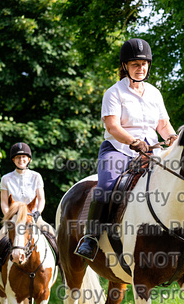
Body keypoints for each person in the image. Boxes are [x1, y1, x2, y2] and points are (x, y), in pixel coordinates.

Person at [76, 38, 178, 260]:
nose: (140, 69)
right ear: (125, 66)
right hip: (118, 150)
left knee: (180, 178)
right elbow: (113, 127)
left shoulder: (154, 93)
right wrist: (134, 141)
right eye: (135, 64)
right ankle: (91, 237)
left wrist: (171, 136)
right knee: (105, 187)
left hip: (152, 152)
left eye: (144, 64)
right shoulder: (113, 93)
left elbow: (162, 124)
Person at [0, 142, 54, 247]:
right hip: (13, 219)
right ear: (13, 160)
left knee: (55, 237)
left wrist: (37, 213)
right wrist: (9, 216)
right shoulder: (6, 178)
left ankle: (60, 263)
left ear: (29, 159)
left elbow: (41, 199)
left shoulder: (36, 176)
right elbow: (4, 203)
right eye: (17, 157)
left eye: (23, 157)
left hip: (33, 217)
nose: (21, 159)